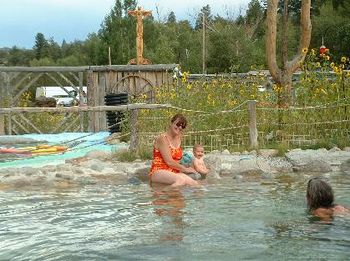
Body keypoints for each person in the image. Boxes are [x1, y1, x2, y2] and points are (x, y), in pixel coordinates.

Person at [149, 113, 198, 187]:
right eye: (178, 124)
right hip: (159, 170)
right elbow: (169, 162)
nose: (180, 127)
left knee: (195, 184)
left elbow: (178, 160)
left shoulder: (179, 138)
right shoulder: (163, 139)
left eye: (182, 126)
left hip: (173, 172)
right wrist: (185, 169)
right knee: (180, 181)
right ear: (171, 123)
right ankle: (165, 195)